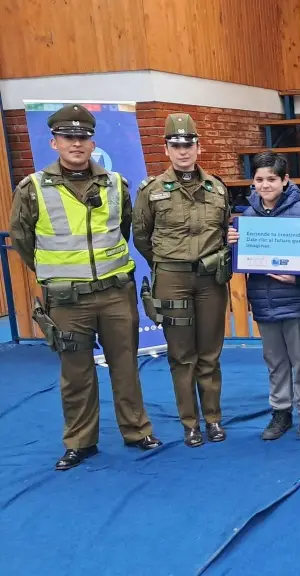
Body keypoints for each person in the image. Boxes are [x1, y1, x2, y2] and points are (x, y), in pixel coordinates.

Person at [9, 104, 162, 470]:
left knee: (126, 366)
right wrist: (60, 272)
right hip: (67, 300)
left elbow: (123, 230)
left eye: (82, 137)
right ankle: (80, 441)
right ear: (54, 142)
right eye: (67, 137)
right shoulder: (32, 189)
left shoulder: (116, 185)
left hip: (115, 294)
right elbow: (23, 240)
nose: (75, 144)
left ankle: (137, 430)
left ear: (93, 143)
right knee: (76, 373)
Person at [133, 113, 231, 447]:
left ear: (198, 147)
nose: (183, 151)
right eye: (176, 145)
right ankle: (190, 423)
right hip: (172, 279)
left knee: (210, 352)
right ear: (167, 148)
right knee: (181, 354)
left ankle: (214, 419)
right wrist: (169, 264)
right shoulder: (152, 190)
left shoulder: (216, 187)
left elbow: (223, 230)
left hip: (210, 281)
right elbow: (141, 237)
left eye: (188, 144)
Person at [226, 152, 300, 440]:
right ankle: (280, 412)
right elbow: (236, 261)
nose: (265, 185)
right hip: (263, 301)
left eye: (272, 179)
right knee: (274, 360)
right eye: (259, 180)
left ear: (285, 180)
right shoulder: (246, 218)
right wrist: (233, 246)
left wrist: (298, 276)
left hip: (297, 300)